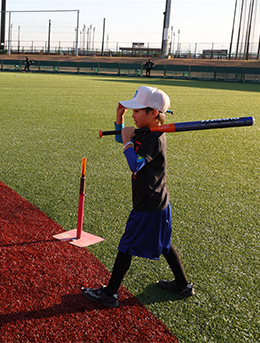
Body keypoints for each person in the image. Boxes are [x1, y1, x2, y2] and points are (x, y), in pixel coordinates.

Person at [82, 86, 193, 308]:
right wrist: (119, 119)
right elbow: (123, 142)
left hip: (149, 203)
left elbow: (135, 164)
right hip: (159, 200)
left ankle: (110, 294)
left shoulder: (155, 138)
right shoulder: (146, 130)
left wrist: (126, 140)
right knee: (164, 245)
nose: (133, 115)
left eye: (137, 111)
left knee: (126, 246)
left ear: (153, 113)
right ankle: (182, 285)